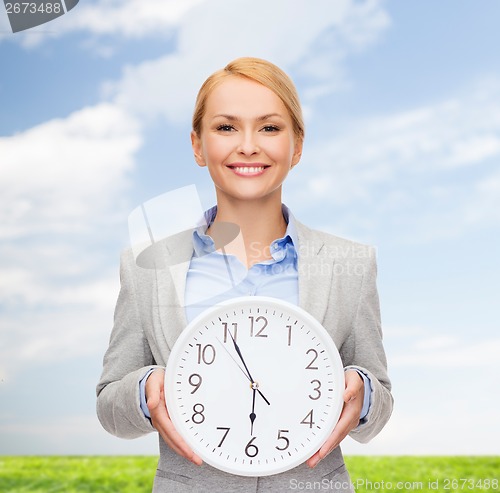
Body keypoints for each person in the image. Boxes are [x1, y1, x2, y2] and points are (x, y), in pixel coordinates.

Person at [96, 57, 393, 492]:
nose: (249, 145)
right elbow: (109, 407)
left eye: (270, 128)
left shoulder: (350, 263)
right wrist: (144, 389)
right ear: (198, 146)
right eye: (226, 127)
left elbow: (379, 401)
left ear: (298, 145)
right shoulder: (147, 266)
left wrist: (363, 393)